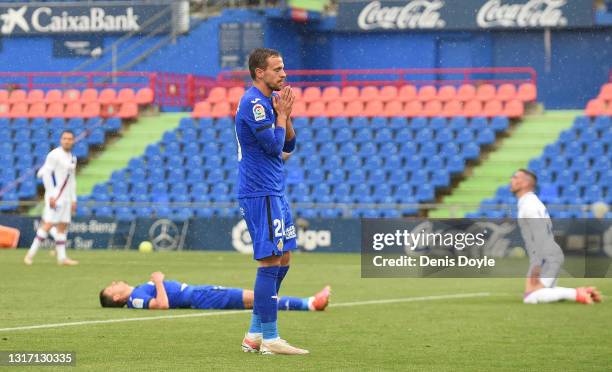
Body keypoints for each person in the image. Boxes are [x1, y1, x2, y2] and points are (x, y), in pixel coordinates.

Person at [235, 48, 305, 355]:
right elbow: (274, 144)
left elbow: (289, 142)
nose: (284, 74)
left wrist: (285, 116)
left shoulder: (270, 103)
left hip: (275, 189)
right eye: (277, 69)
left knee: (284, 257)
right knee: (270, 260)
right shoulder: (253, 103)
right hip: (260, 191)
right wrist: (281, 116)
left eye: (284, 68)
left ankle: (254, 334)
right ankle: (271, 338)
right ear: (259, 72)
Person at [510, 169, 602, 304]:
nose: (511, 180)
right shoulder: (528, 202)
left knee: (531, 297)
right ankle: (583, 292)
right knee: (539, 291)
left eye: (515, 177)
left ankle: (577, 294)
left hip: (544, 255)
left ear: (525, 183)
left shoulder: (529, 204)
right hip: (546, 254)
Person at [99, 271, 330, 312]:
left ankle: (309, 304)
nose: (114, 282)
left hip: (199, 295)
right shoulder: (136, 297)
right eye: (111, 288)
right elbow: (162, 305)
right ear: (117, 297)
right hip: (200, 296)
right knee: (259, 297)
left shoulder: (136, 295)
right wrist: (159, 281)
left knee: (258, 302)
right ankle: (309, 303)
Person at [24, 130, 79, 266]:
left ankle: (62, 258)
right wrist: (51, 194)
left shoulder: (72, 157)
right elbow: (46, 174)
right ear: (61, 140)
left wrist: (73, 199)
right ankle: (30, 255)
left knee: (62, 226)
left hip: (66, 198)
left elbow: (72, 180)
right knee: (47, 225)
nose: (67, 141)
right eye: (64, 138)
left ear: (73, 141)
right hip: (56, 197)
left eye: (70, 139)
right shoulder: (54, 155)